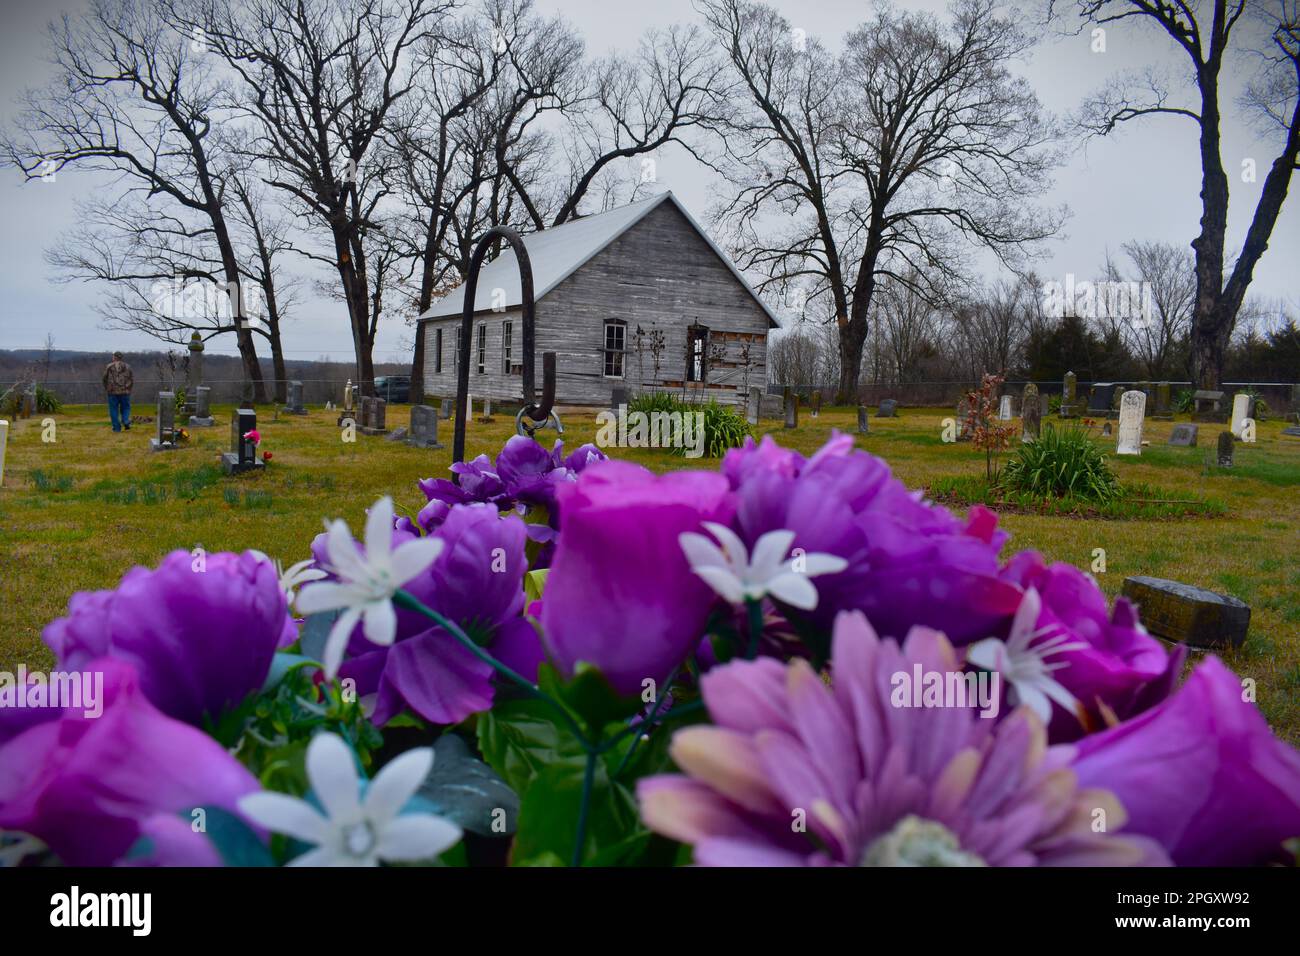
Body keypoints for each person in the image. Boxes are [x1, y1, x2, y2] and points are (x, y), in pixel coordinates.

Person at [103, 351, 134, 432]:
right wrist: (129, 389)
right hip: (125, 391)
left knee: (113, 410)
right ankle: (125, 420)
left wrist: (107, 388)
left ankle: (116, 428)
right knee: (126, 408)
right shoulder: (128, 366)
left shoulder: (109, 366)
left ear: (114, 357)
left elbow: (104, 378)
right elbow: (131, 379)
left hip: (112, 392)